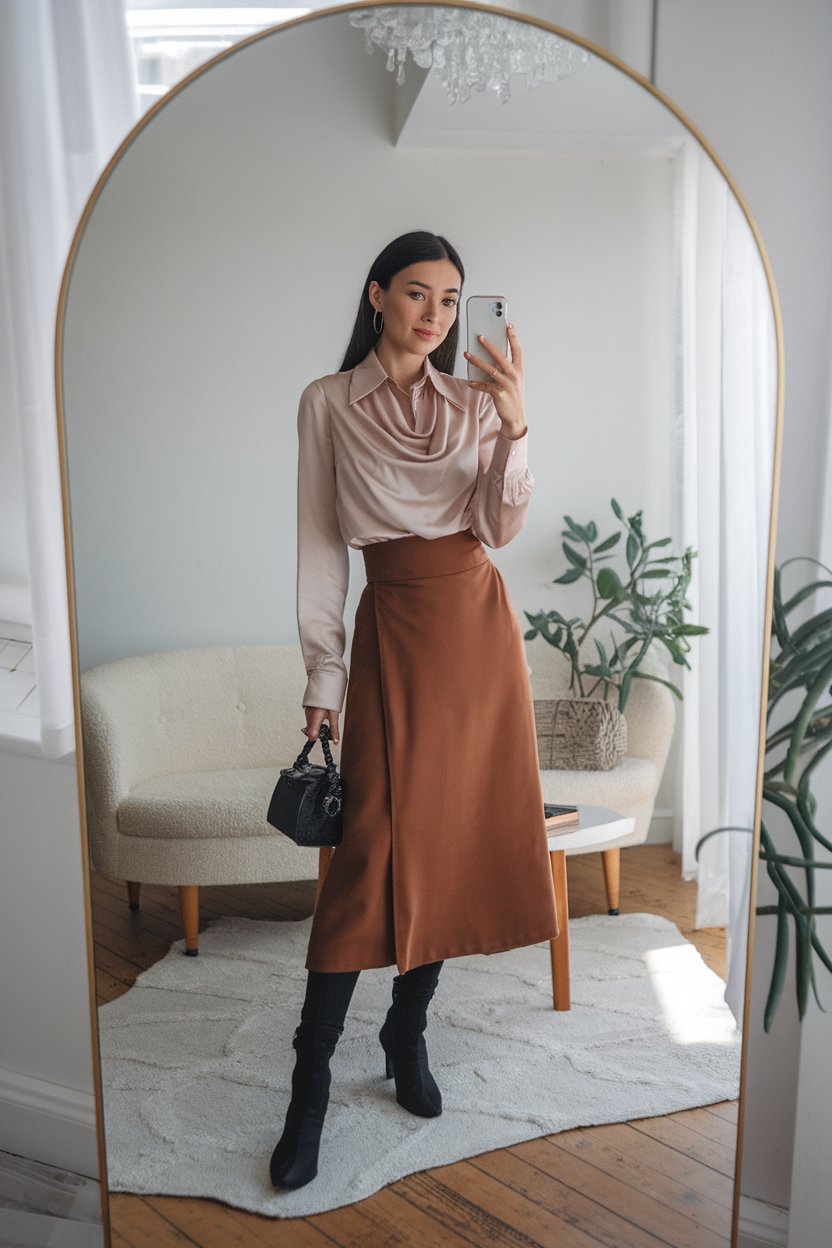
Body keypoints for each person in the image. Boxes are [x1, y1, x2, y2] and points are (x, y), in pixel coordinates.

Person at [270, 230, 558, 1189]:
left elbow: (500, 529)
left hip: (476, 630)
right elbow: (320, 549)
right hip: (391, 630)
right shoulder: (325, 404)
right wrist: (324, 684)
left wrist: (516, 428)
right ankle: (308, 1089)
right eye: (418, 294)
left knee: (461, 840)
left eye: (451, 300)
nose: (435, 315)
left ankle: (407, 1030)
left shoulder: (477, 403)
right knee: (372, 856)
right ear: (378, 295)